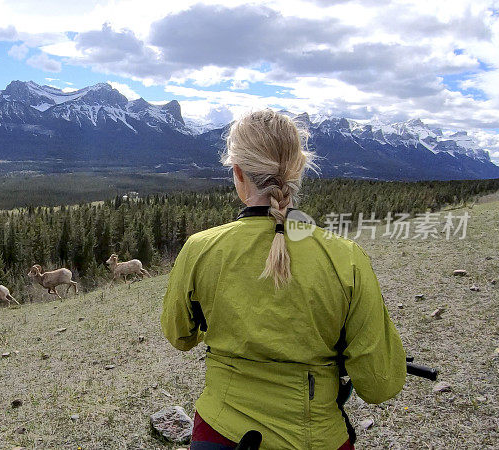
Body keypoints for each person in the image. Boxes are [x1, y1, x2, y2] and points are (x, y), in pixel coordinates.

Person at [161, 110, 406, 450]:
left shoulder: (200, 249)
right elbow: (380, 385)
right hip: (317, 437)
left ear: (238, 173)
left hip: (220, 431)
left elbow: (179, 336)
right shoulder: (346, 258)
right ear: (298, 170)